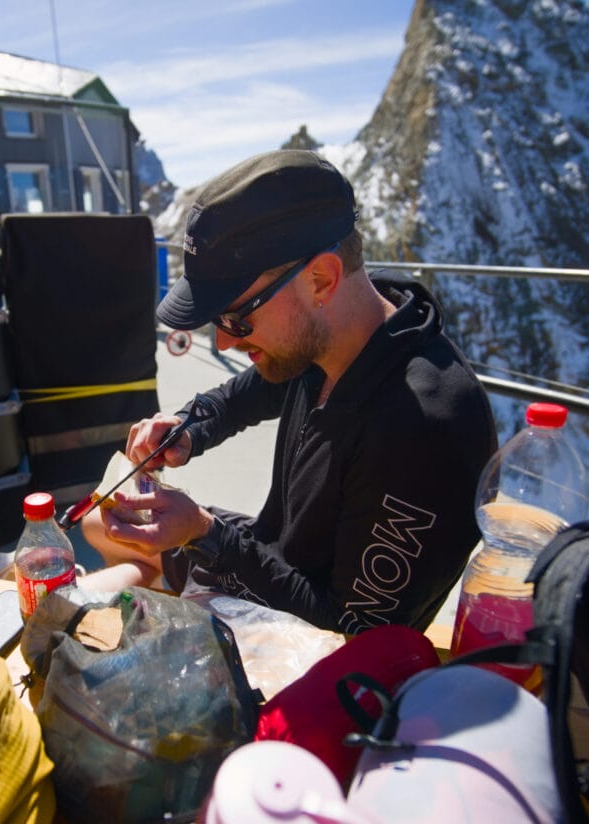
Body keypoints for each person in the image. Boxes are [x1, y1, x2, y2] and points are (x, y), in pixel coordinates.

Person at [81, 149, 497, 634]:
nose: (224, 342)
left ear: (321, 278)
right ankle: (138, 581)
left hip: (308, 631)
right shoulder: (342, 327)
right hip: (273, 554)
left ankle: (125, 591)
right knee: (99, 518)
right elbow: (265, 383)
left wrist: (204, 536)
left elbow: (353, 630)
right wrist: (193, 426)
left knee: (116, 561)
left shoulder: (421, 432)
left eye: (237, 318)